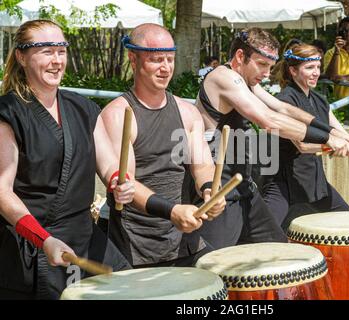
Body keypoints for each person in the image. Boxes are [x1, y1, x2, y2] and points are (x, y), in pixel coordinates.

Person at [182, 28, 349, 251]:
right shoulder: (223, 77)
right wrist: (326, 138)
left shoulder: (247, 82)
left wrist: (334, 133)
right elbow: (269, 120)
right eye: (262, 64)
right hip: (217, 186)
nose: (267, 73)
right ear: (240, 57)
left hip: (242, 185)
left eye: (270, 66)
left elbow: (283, 108)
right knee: (211, 264)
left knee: (277, 251)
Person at [0, 20, 135, 299]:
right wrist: (44, 239)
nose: (57, 60)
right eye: (46, 51)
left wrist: (119, 182)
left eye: (61, 51)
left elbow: (109, 164)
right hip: (33, 244)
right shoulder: (8, 112)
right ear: (21, 57)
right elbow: (2, 191)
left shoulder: (83, 107)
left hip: (84, 237)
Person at [100, 23, 226, 268]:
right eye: (156, 60)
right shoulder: (117, 115)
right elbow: (126, 183)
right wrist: (172, 211)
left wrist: (210, 191)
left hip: (184, 237)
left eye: (170, 59)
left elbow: (202, 166)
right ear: (133, 60)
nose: (166, 68)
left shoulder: (187, 112)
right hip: (135, 245)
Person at [263, 43, 349, 229]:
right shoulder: (285, 100)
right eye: (309, 67)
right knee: (266, 235)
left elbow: (340, 134)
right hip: (283, 184)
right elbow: (302, 146)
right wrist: (332, 146)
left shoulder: (319, 100)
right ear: (293, 71)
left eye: (318, 67)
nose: (316, 73)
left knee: (348, 223)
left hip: (314, 181)